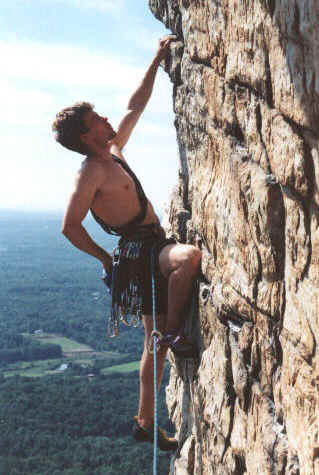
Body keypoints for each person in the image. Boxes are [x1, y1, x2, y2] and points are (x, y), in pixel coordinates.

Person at [52, 36, 201, 451]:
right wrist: (105, 259)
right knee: (186, 259)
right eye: (97, 118)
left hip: (148, 246)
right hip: (142, 252)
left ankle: (143, 421)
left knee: (148, 345)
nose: (106, 119)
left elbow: (135, 106)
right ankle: (174, 335)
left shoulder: (113, 152)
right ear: (86, 135)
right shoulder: (91, 172)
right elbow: (70, 225)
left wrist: (156, 59)